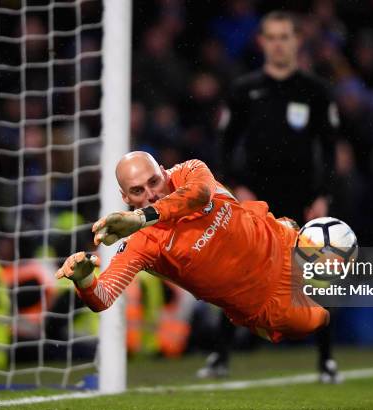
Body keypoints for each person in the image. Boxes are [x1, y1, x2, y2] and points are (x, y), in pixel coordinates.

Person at [55, 151, 329, 344]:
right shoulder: (141, 244)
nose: (150, 193)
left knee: (348, 255)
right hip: (266, 300)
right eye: (138, 191)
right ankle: (263, 328)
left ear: (163, 172)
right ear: (125, 197)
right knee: (320, 319)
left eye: (154, 181)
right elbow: (103, 297)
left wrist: (141, 217)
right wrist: (83, 279)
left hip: (283, 242)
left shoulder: (189, 171)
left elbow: (200, 194)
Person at [210, 10, 342, 383]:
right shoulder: (244, 90)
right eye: (272, 37)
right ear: (262, 42)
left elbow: (331, 150)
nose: (279, 43)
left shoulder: (315, 91)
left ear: (297, 41)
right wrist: (236, 187)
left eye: (285, 36)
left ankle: (326, 359)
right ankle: (220, 355)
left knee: (314, 274)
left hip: (303, 196)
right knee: (236, 273)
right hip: (255, 198)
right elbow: (223, 144)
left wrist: (323, 195)